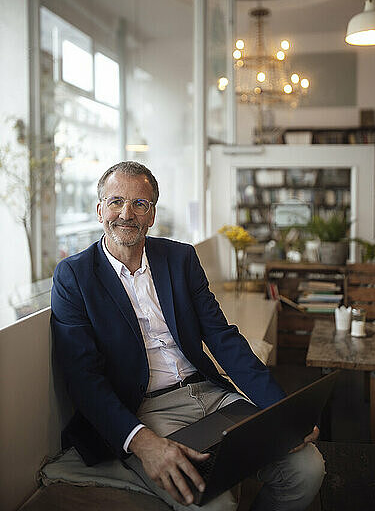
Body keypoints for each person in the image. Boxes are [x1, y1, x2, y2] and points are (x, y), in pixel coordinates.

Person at [51, 161, 325, 511]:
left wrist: (281, 410)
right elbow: (82, 378)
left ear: (151, 215)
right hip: (145, 409)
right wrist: (141, 441)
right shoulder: (73, 275)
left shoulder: (180, 258)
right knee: (213, 502)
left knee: (307, 469)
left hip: (209, 395)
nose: (126, 213)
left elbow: (223, 338)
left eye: (140, 204)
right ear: (99, 209)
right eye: (116, 201)